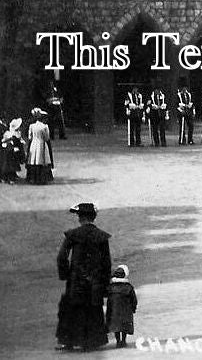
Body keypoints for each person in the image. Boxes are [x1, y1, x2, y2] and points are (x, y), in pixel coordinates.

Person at [56, 203, 111, 351]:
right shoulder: (101, 237)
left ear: (80, 218)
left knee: (72, 309)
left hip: (76, 281)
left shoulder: (73, 235)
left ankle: (69, 341)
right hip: (95, 281)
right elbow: (107, 264)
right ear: (94, 217)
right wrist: (105, 285)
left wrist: (66, 275)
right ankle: (91, 342)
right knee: (93, 311)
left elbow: (62, 257)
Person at [106, 264, 137, 349]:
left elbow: (108, 298)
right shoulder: (129, 287)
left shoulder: (111, 287)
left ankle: (118, 341)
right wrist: (133, 308)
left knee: (116, 327)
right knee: (124, 327)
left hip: (114, 311)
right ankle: (123, 341)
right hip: (126, 311)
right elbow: (134, 299)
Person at [0, 118, 24, 183]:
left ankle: (11, 175)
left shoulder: (11, 130)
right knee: (3, 163)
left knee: (10, 163)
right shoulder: (3, 129)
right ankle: (2, 177)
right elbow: (2, 140)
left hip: (10, 148)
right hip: (3, 147)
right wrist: (10, 139)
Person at [27, 108, 54, 184]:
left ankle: (33, 178)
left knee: (34, 160)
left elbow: (30, 137)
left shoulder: (32, 126)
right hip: (41, 143)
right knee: (42, 160)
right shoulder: (44, 127)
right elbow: (47, 137)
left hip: (33, 144)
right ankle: (42, 178)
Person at [176, 78, 195, 145]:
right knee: (182, 127)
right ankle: (182, 140)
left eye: (185, 87)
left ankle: (190, 140)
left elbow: (192, 103)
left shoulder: (188, 94)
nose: (184, 89)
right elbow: (177, 105)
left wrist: (192, 111)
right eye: (183, 88)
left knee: (191, 126)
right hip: (182, 112)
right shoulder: (178, 95)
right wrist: (181, 110)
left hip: (189, 112)